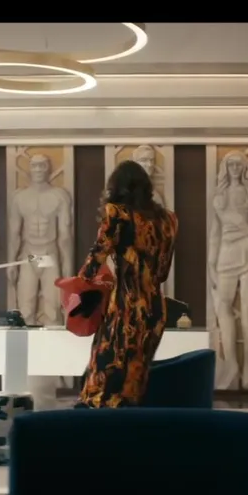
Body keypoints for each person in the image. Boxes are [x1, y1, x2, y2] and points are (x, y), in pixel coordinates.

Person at [75, 160, 178, 408]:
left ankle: (94, 430)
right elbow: (162, 272)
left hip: (125, 308)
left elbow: (96, 258)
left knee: (103, 384)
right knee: (134, 386)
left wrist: (80, 286)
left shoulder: (117, 213)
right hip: (154, 309)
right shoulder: (168, 219)